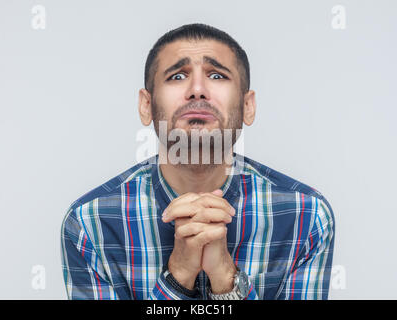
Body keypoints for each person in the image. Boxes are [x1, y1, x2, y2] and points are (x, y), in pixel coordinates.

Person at [60, 23, 335, 300]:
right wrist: (178, 276)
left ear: (247, 106)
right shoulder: (90, 224)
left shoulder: (307, 217)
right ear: (147, 105)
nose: (197, 90)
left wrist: (227, 280)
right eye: (177, 76)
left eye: (217, 75)